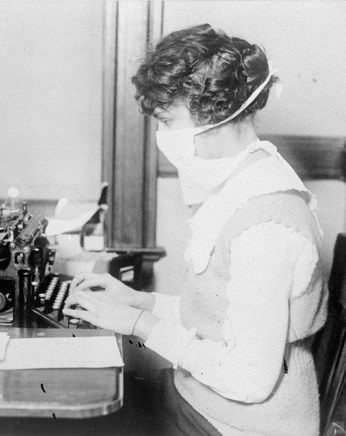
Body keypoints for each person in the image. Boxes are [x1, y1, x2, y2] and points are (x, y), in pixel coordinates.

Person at [63, 24, 328, 435]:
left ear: (217, 115)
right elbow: (223, 316)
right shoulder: (243, 184)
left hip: (242, 426)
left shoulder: (267, 226)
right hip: (205, 403)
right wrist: (140, 303)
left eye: (168, 121)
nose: (162, 137)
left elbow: (249, 380)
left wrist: (139, 326)